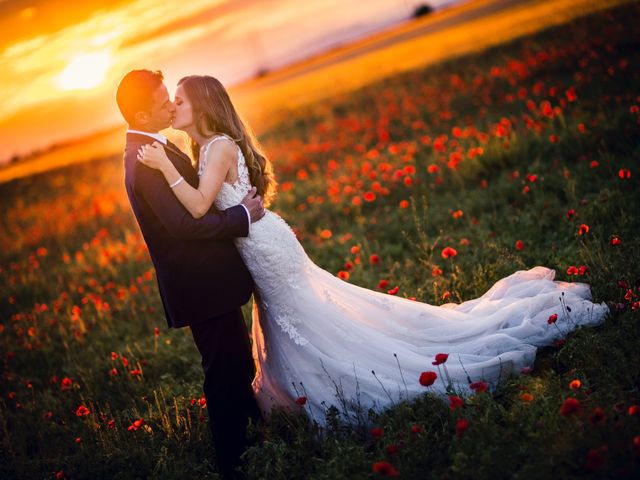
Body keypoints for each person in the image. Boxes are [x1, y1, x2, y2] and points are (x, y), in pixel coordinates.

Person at [137, 74, 609, 427]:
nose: (174, 105)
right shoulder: (205, 150)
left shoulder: (216, 147)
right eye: (169, 100)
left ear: (201, 106)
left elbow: (198, 206)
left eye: (179, 98)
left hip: (263, 244)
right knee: (298, 320)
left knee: (304, 319)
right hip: (260, 242)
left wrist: (163, 164)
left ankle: (344, 387)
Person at [116, 70, 263, 478]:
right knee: (222, 372)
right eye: (164, 101)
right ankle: (232, 463)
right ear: (144, 115)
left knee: (235, 363)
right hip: (199, 286)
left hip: (207, 283)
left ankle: (256, 432)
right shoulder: (144, 162)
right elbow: (186, 226)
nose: (171, 104)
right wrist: (242, 215)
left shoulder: (153, 146)